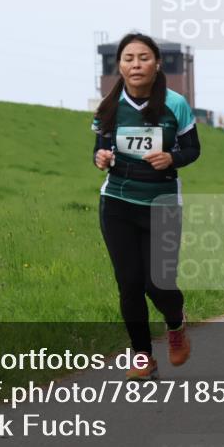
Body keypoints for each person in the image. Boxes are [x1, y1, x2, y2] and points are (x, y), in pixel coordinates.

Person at [92, 33, 199, 380]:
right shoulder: (108, 106)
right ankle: (142, 356)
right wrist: (101, 157)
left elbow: (192, 150)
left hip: (162, 202)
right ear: (119, 65)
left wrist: (171, 157)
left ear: (156, 64)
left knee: (159, 283)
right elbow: (99, 149)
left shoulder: (175, 104)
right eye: (128, 58)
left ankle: (175, 323)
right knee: (129, 283)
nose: (135, 64)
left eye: (142, 58)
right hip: (117, 202)